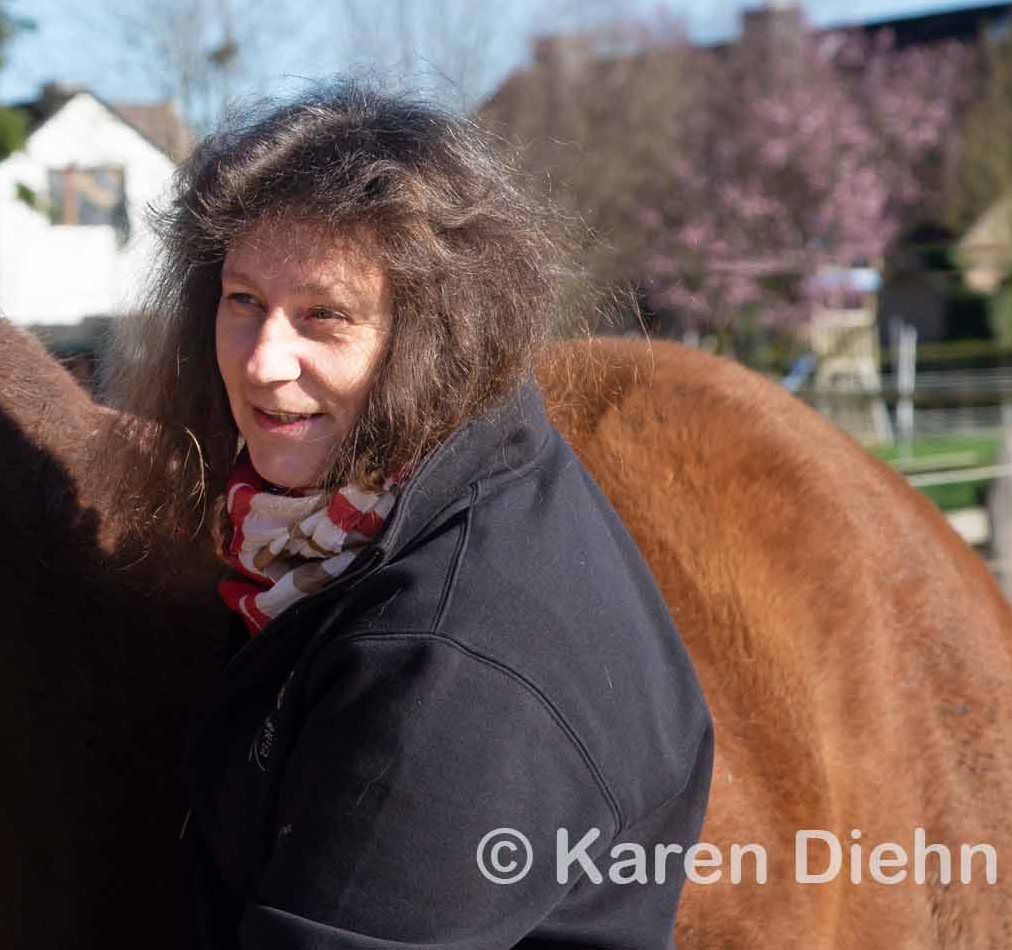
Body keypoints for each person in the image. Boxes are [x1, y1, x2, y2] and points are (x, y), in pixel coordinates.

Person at [110, 84, 714, 949]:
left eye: (325, 314)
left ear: (428, 335)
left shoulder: (447, 662)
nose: (264, 360)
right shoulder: (379, 507)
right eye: (243, 300)